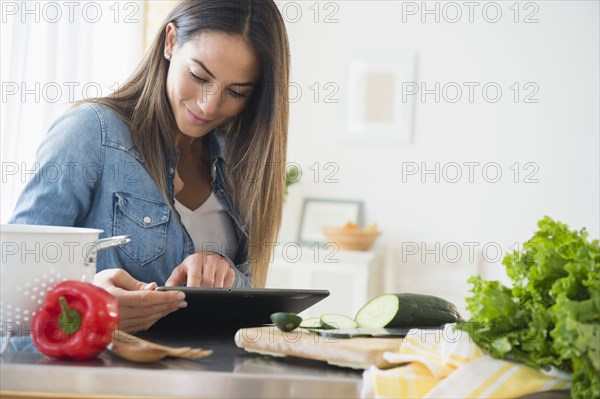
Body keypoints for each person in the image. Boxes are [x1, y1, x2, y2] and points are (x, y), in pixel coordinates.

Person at [9, 0, 290, 333]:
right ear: (170, 41)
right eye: (199, 76)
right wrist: (94, 310)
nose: (209, 105)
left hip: (210, 377)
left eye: (236, 92)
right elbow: (13, 293)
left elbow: (251, 298)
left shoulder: (240, 163)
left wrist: (224, 273)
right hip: (101, 380)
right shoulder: (91, 133)